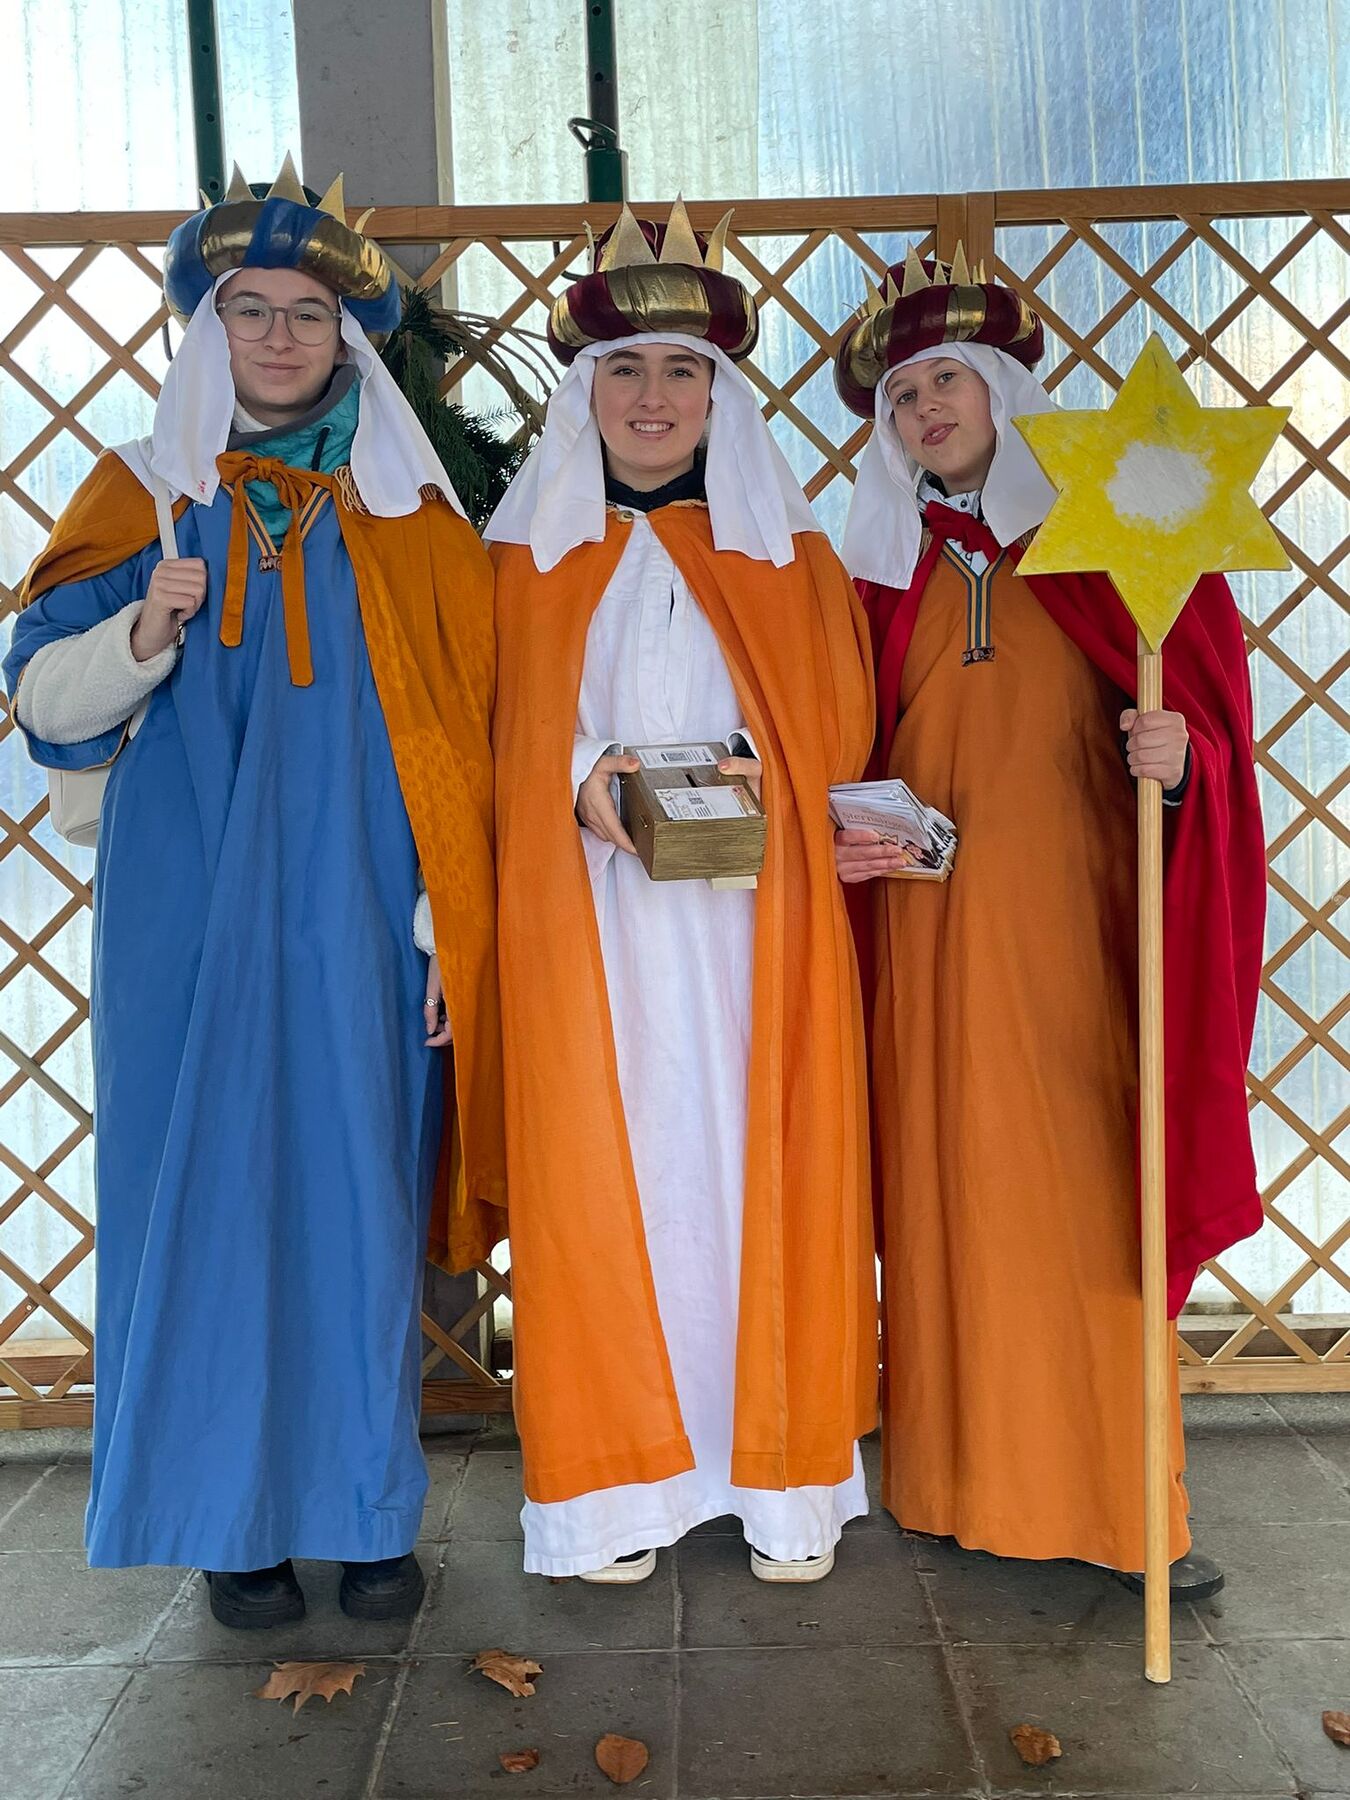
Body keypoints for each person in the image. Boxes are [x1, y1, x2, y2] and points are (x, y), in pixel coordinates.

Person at [4, 160, 505, 1627]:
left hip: (361, 914)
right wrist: (141, 634)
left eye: (307, 315)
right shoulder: (139, 495)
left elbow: (465, 741)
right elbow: (40, 703)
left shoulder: (411, 515)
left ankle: (364, 1512)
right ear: (206, 329)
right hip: (187, 917)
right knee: (201, 1195)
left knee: (354, 1196)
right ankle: (229, 1527)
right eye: (250, 311)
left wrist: (444, 929)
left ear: (347, 337)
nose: (280, 337)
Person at [832, 247, 1266, 1595]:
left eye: (946, 382)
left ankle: (1119, 1504)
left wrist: (1182, 761)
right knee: (944, 1191)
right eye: (902, 397)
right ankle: (954, 1480)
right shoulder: (871, 572)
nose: (926, 412)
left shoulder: (1121, 551)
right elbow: (831, 743)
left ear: (1004, 391)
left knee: (1088, 1204)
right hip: (924, 947)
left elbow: (1215, 735)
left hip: (1080, 941)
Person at [485, 202, 877, 1584]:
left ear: (719, 396)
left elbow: (837, 734)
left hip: (749, 931)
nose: (651, 398)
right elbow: (485, 736)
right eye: (624, 371)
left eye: (680, 371)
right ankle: (617, 1497)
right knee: (606, 1186)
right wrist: (577, 775)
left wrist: (765, 768)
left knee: (759, 1169)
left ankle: (784, 1485)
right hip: (588, 925)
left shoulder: (789, 560)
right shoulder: (522, 564)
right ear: (584, 391)